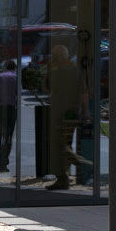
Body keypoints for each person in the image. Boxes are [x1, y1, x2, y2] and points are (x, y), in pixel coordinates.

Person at [45, 44, 84, 190]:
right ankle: (67, 175)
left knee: (59, 145)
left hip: (60, 114)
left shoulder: (56, 72)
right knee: (66, 143)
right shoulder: (75, 71)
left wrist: (48, 70)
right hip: (72, 113)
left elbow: (45, 87)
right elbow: (83, 93)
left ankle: (78, 165)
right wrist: (84, 111)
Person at [0, 59, 19, 172]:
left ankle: (0, 161)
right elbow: (19, 92)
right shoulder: (16, 77)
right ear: (14, 68)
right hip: (12, 107)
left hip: (2, 107)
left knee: (1, 134)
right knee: (9, 135)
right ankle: (5, 160)